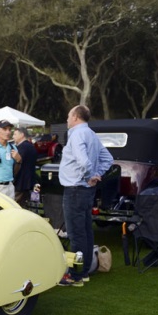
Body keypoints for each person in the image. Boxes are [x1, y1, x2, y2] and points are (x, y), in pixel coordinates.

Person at [57, 105, 114, 287]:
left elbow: (83, 161)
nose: (66, 119)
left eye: (68, 116)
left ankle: (75, 275)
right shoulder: (91, 134)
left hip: (75, 189)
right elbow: (108, 159)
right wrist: (96, 174)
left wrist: (91, 175)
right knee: (86, 230)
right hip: (86, 190)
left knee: (76, 234)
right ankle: (85, 271)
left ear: (75, 117)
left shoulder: (77, 134)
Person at [12, 127, 38, 205]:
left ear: (22, 135)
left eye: (15, 134)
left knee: (15, 205)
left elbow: (18, 163)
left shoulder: (22, 148)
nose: (13, 136)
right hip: (30, 181)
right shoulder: (31, 146)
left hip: (21, 182)